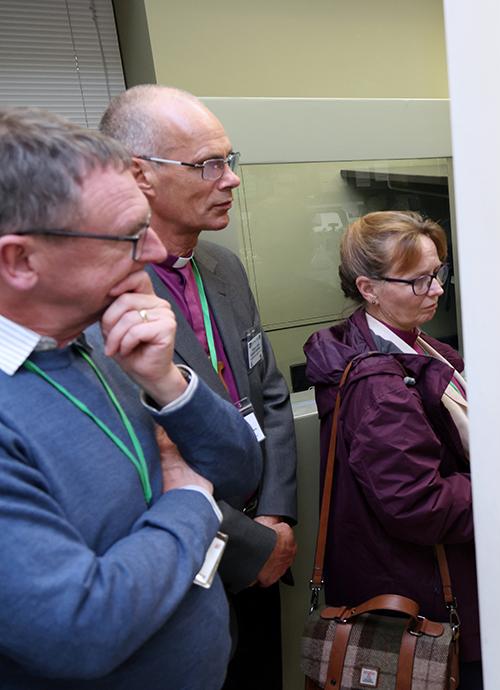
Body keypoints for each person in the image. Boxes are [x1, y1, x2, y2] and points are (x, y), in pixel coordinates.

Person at [0, 108, 261, 687]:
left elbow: (240, 471)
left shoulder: (105, 336)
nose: (154, 252)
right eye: (126, 236)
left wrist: (166, 380)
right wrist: (190, 501)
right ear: (19, 260)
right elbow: (79, 628)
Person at [100, 85, 298, 689]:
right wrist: (248, 546)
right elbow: (142, 461)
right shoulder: (108, 299)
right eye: (209, 165)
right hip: (193, 560)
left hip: (266, 533)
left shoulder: (224, 266)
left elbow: (268, 393)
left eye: (228, 161)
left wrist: (277, 513)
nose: (231, 179)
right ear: (142, 175)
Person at [304, 211, 481, 688]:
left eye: (438, 272)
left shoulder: (414, 344)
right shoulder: (380, 385)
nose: (437, 290)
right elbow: (418, 503)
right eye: (419, 281)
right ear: (368, 288)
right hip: (424, 596)